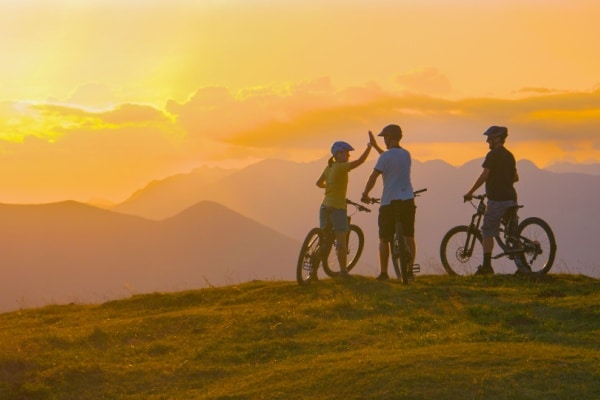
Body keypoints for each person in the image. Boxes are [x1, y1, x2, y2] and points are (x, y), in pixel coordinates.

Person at [361, 124, 416, 282]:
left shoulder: (384, 157)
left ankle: (384, 273)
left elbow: (374, 176)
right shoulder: (406, 154)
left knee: (384, 238)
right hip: (407, 200)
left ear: (389, 138)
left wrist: (365, 194)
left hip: (388, 202)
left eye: (384, 137)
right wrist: (377, 147)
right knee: (409, 236)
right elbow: (388, 159)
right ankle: (410, 271)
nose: (384, 140)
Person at [463, 125, 520, 275]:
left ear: (497, 139)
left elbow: (484, 175)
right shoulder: (509, 155)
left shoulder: (493, 155)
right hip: (511, 199)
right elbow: (515, 178)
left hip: (497, 200)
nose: (487, 141)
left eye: (490, 138)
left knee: (487, 230)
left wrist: (470, 192)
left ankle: (487, 267)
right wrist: (503, 181)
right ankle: (523, 266)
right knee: (513, 233)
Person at [316, 137, 372, 277]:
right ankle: (343, 271)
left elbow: (318, 183)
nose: (348, 155)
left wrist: (330, 187)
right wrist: (369, 147)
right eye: (346, 153)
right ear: (338, 154)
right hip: (337, 207)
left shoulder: (329, 167)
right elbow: (359, 162)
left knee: (324, 239)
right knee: (341, 240)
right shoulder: (341, 167)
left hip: (324, 206)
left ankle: (313, 271)